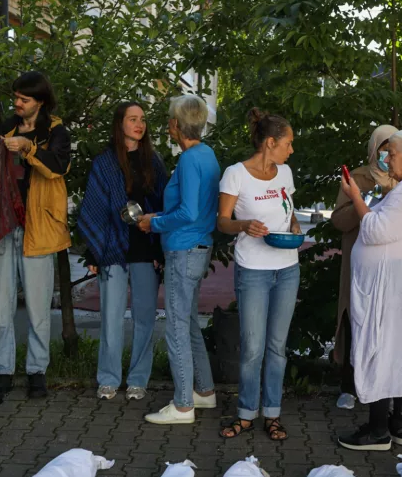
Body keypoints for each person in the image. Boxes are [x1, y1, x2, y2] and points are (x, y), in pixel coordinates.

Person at [335, 128, 402, 451]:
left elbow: (377, 230)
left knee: (382, 351)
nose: (386, 158)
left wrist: (356, 196)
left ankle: (378, 429)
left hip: (390, 291)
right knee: (396, 352)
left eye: (392, 153)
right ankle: (396, 424)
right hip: (401, 287)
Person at [0, 72, 71, 402]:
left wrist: (29, 147)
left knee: (37, 309)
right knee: (1, 307)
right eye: (16, 98)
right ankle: (3, 371)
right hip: (6, 229)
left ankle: (37, 373)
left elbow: (57, 168)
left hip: (40, 229)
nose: (17, 104)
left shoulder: (56, 131)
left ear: (41, 102)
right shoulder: (4, 129)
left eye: (24, 99)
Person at [215, 109, 301, 441]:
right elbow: (222, 221)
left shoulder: (285, 173)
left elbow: (288, 211)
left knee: (277, 347)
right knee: (252, 348)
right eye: (288, 143)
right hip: (253, 271)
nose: (291, 150)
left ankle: (273, 414)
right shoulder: (236, 174)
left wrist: (293, 224)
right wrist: (243, 225)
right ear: (270, 142)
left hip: (287, 269)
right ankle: (246, 413)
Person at [138, 94, 220, 424]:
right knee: (188, 323)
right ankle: (204, 391)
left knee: (175, 327)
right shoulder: (206, 154)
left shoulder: (188, 159)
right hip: (198, 246)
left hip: (183, 249)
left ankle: (183, 404)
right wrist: (158, 216)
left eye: (169, 120)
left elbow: (187, 211)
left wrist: (153, 223)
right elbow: (195, 208)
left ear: (175, 124)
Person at [78, 102, 168, 402]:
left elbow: (163, 208)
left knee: (145, 318)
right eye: (133, 119)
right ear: (120, 124)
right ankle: (108, 378)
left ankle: (138, 379)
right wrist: (94, 253)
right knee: (111, 317)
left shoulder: (153, 162)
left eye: (142, 119)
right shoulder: (104, 163)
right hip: (112, 249)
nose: (139, 124)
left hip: (145, 249)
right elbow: (95, 210)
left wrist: (160, 249)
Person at [331, 124, 396, 409]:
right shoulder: (356, 177)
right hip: (358, 263)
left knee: (385, 324)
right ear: (374, 149)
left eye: (392, 149)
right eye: (383, 148)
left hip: (390, 264)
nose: (387, 154)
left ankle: (384, 387)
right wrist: (364, 201)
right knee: (353, 318)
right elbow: (339, 221)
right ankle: (349, 385)